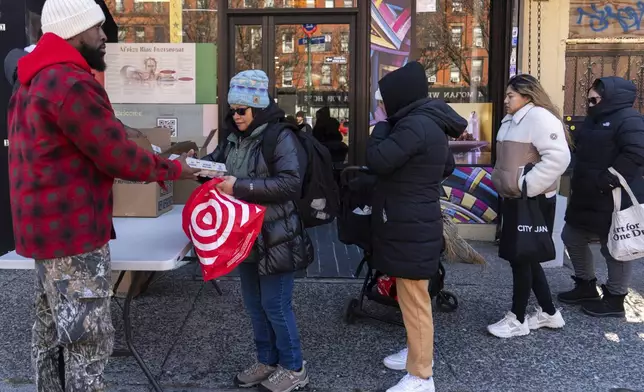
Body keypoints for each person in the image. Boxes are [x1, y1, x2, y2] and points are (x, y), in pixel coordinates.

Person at [7, 0, 199, 390]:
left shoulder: (30, 82)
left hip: (43, 233)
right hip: (73, 236)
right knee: (87, 340)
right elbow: (121, 158)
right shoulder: (72, 83)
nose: (104, 36)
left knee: (48, 331)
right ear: (75, 33)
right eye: (96, 28)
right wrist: (177, 169)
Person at [200, 70, 313, 392]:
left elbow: (291, 183)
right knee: (254, 304)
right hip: (245, 235)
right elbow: (217, 164)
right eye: (232, 110)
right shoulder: (235, 138)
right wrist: (197, 166)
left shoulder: (280, 137)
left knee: (276, 305)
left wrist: (241, 186)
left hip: (277, 235)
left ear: (258, 107)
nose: (235, 116)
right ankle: (267, 360)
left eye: (241, 110)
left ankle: (294, 367)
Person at [366, 61, 466, 392]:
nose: (382, 107)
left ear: (399, 97)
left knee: (414, 298)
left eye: (384, 102)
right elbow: (445, 165)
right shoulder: (427, 124)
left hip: (410, 222)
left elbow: (378, 160)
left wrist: (380, 127)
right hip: (415, 218)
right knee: (412, 295)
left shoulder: (413, 126)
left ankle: (421, 376)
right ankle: (416, 353)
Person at [489, 74, 571, 338]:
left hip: (532, 199)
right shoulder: (512, 119)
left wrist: (527, 184)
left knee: (522, 257)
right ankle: (548, 312)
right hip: (517, 196)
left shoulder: (539, 118)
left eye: (510, 95)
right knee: (524, 255)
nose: (505, 100)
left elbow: (559, 158)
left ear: (527, 95)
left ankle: (518, 318)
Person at [558, 77, 644, 318]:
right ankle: (585, 286)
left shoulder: (630, 119)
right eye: (590, 95)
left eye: (596, 95)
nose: (591, 98)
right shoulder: (593, 119)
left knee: (615, 247)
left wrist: (610, 177)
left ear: (612, 96)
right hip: (586, 196)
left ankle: (615, 298)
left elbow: (637, 152)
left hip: (613, 197)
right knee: (571, 236)